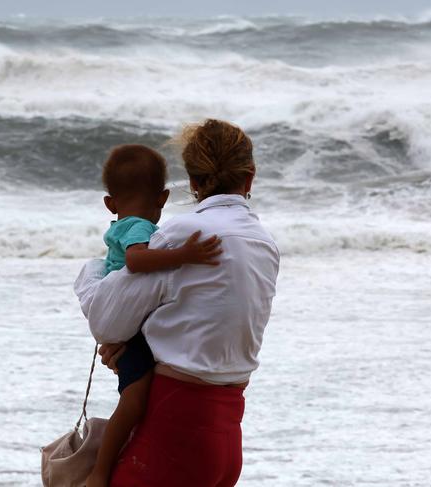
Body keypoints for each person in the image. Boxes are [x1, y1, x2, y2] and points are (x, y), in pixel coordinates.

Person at [75, 119, 280, 487]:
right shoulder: (265, 243)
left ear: (194, 183)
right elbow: (212, 320)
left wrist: (90, 273)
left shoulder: (181, 234)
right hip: (228, 433)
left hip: (176, 426)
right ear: (249, 179)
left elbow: (106, 322)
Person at [86, 144, 223, 487]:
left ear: (109, 203)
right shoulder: (140, 229)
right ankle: (99, 474)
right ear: (163, 198)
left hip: (122, 322)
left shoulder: (121, 224)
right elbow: (136, 261)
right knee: (133, 401)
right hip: (128, 329)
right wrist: (184, 254)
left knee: (134, 397)